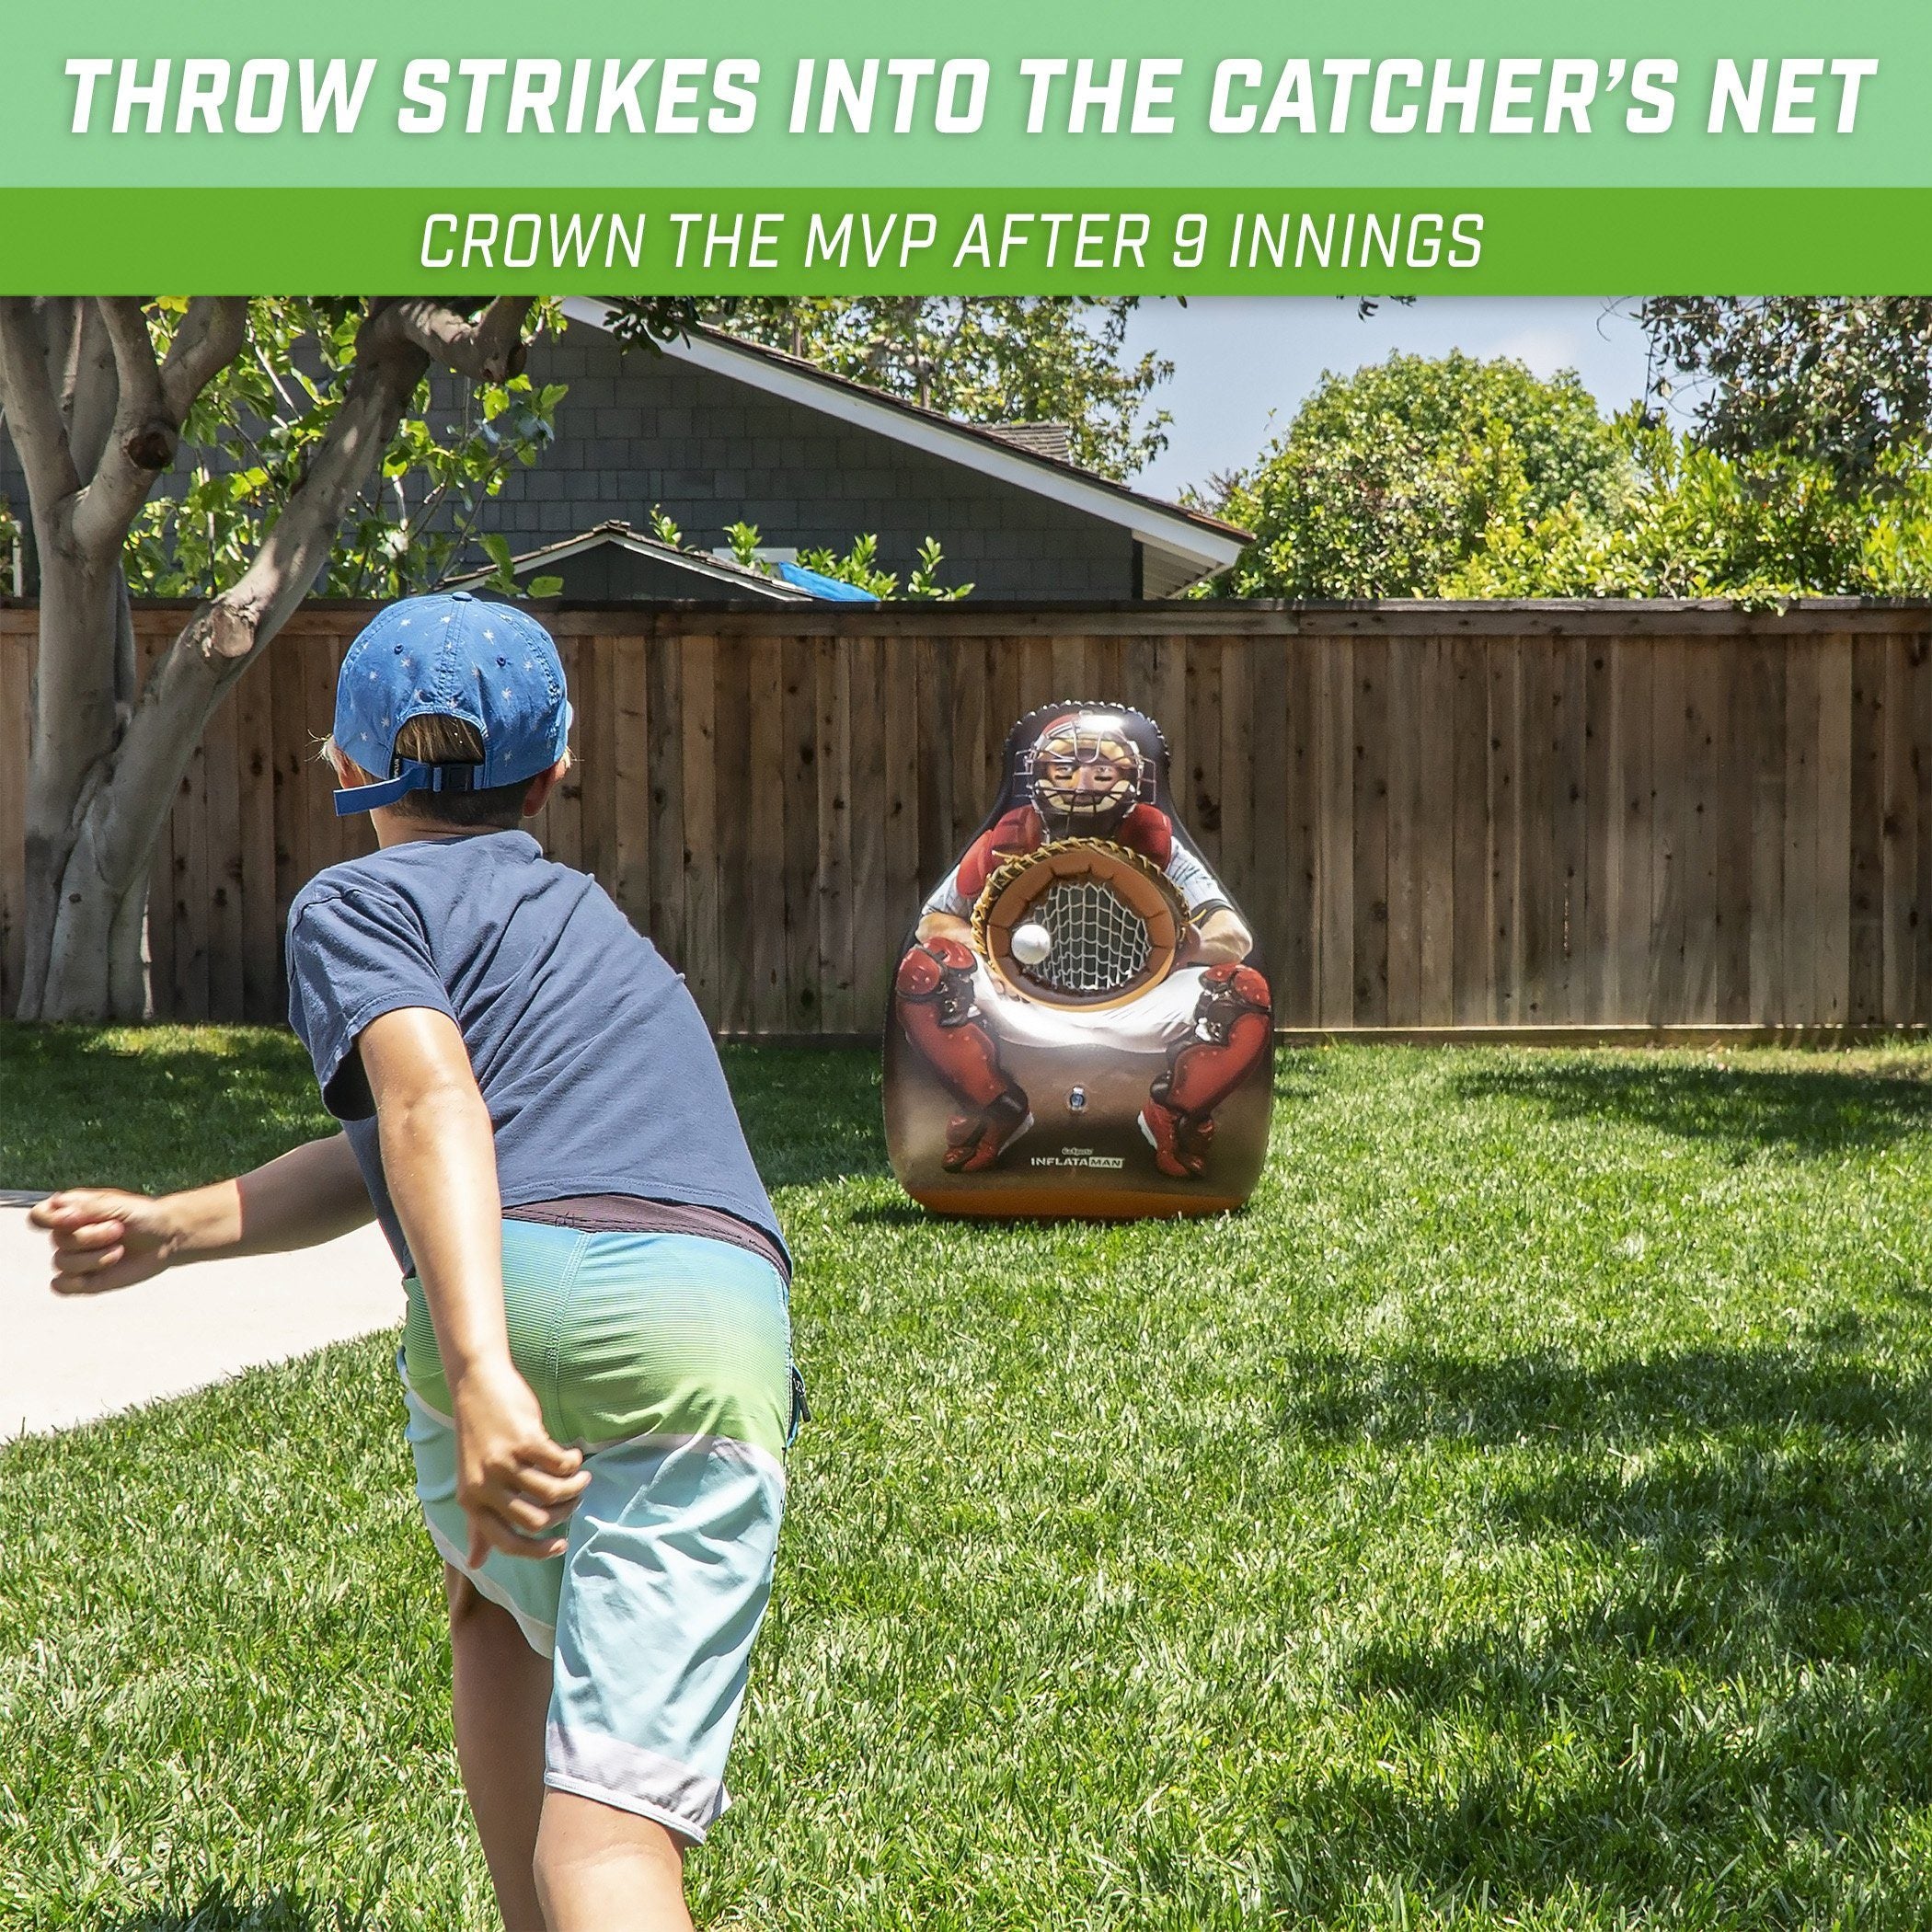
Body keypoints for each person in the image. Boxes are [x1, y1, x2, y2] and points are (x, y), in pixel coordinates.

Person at [32, 590, 801, 1932]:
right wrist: (181, 1226)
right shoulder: (588, 922)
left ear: (344, 770)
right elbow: (407, 1138)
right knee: (587, 1785)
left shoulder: (357, 901)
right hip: (703, 1314)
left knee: (509, 1643)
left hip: (516, 1293)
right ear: (557, 773)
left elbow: (431, 1112)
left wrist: (487, 1367)